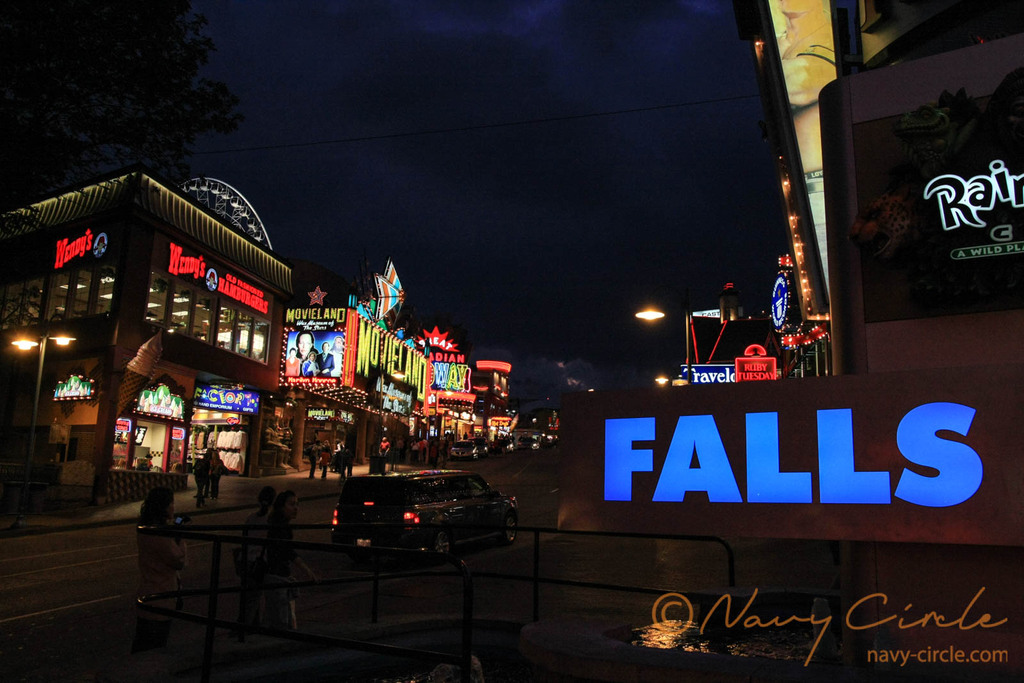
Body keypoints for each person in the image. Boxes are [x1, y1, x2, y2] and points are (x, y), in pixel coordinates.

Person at [131, 487, 187, 653]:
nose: (173, 508)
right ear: (163, 506)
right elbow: (179, 560)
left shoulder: (146, 528)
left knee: (143, 642)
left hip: (148, 590)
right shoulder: (159, 534)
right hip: (161, 595)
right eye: (171, 503)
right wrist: (180, 537)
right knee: (154, 646)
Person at [264, 490, 318, 630]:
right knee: (282, 618)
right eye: (291, 504)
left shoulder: (278, 525)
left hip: (276, 574)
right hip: (277, 575)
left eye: (297, 504)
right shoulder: (280, 528)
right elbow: (287, 551)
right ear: (282, 506)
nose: (295, 508)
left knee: (278, 615)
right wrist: (306, 570)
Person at [238, 485, 275, 627]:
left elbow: (244, 538)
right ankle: (243, 628)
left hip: (245, 560)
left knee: (247, 596)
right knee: (254, 598)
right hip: (258, 562)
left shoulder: (251, 518)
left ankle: (252, 625)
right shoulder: (270, 520)